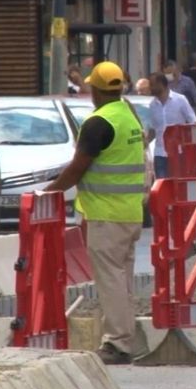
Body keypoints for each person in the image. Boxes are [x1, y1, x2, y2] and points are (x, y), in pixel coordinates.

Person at [44, 61, 145, 364]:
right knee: (122, 280)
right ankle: (126, 337)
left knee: (111, 280)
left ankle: (117, 343)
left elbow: (78, 167)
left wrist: (48, 193)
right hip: (130, 214)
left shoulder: (98, 123)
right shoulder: (128, 115)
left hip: (106, 215)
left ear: (95, 90)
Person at [147, 71, 196, 179]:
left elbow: (193, 122)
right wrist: (144, 144)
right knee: (162, 184)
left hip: (178, 152)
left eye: (152, 84)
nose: (150, 88)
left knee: (179, 183)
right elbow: (152, 129)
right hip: (160, 153)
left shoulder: (180, 100)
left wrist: (189, 143)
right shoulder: (152, 105)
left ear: (161, 84)